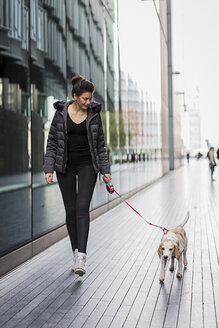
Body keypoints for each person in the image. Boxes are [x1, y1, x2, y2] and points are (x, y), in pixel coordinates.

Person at [43, 75, 112, 276]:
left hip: (87, 165)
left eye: (90, 99)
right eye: (85, 99)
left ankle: (81, 256)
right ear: (75, 96)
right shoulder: (60, 114)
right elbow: (52, 143)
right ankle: (75, 250)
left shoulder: (94, 115)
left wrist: (105, 171)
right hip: (64, 166)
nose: (88, 102)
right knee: (71, 210)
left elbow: (100, 145)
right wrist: (48, 168)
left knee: (82, 207)